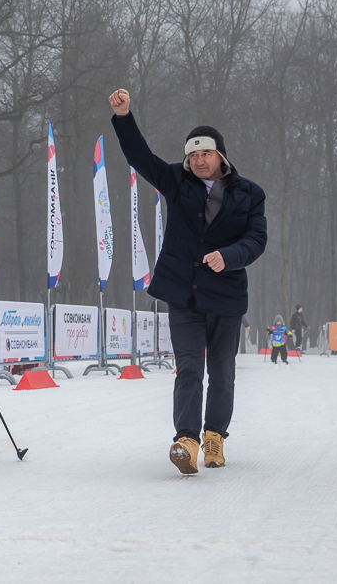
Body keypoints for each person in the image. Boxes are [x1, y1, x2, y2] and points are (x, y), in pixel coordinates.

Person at [109, 88, 267, 475]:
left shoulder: (249, 194)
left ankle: (215, 437)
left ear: (221, 156)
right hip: (184, 294)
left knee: (223, 373)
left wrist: (228, 256)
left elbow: (256, 239)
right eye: (193, 155)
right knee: (190, 368)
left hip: (227, 296)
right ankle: (187, 440)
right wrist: (125, 116)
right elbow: (140, 157)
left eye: (205, 154)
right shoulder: (177, 183)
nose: (198, 161)